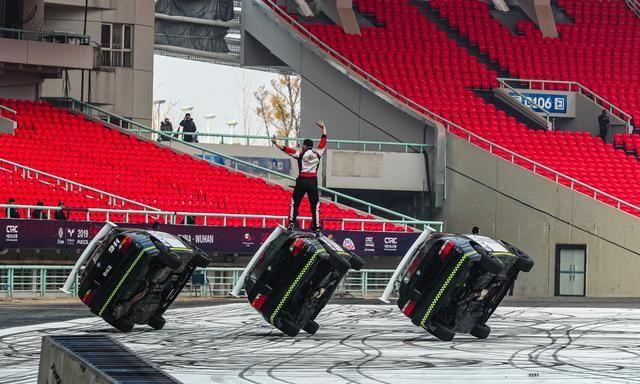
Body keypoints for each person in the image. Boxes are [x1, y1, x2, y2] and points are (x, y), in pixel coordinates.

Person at [272, 120, 327, 234]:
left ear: (305, 146)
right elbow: (323, 142)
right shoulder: (318, 153)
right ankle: (316, 227)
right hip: (313, 181)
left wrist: (275, 143)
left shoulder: (300, 154)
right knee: (315, 204)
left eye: (303, 145)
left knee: (295, 202)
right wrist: (323, 129)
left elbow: (287, 150)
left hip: (302, 180)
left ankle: (291, 224)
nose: (302, 147)